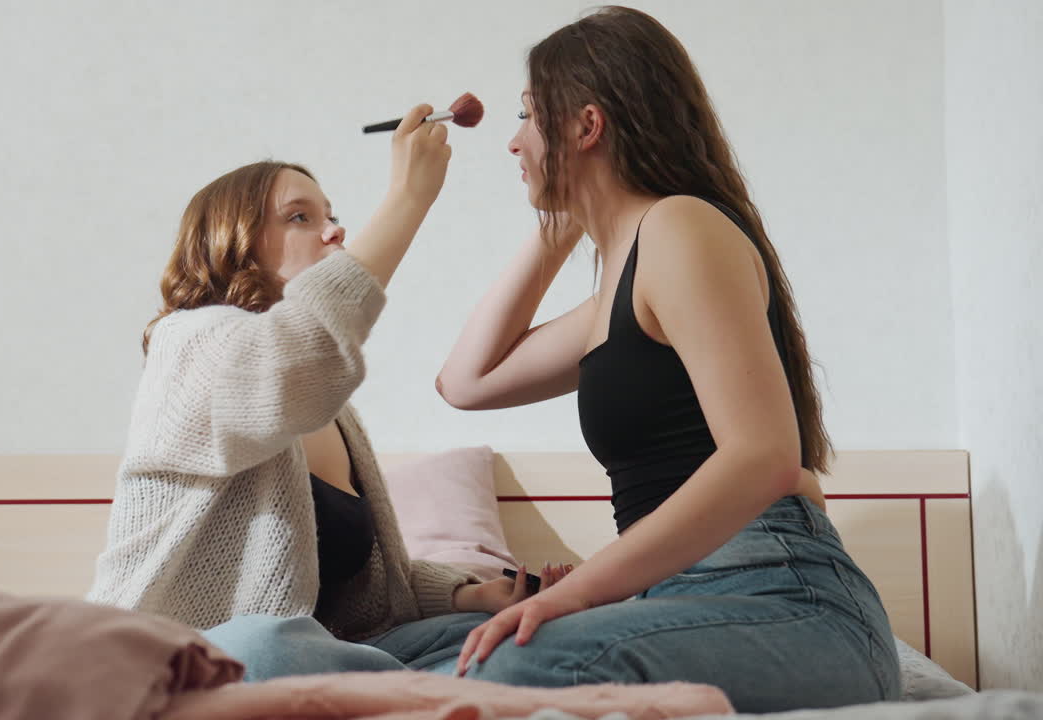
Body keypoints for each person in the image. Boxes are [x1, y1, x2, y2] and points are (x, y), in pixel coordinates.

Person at [433, 6, 901, 712]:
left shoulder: (681, 229)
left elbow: (763, 457)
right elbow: (466, 381)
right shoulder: (624, 277)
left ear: (586, 127)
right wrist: (563, 221)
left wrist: (584, 593)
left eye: (528, 117)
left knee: (504, 668)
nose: (512, 143)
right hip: (679, 596)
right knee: (403, 651)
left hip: (778, 593)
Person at [86, 105, 548, 679]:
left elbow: (370, 595)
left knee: (515, 636)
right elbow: (296, 357)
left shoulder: (333, 412)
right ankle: (413, 692)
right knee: (267, 642)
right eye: (300, 217)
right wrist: (408, 198)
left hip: (321, 654)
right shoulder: (188, 342)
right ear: (234, 241)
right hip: (173, 664)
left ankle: (418, 689)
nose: (335, 230)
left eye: (331, 214)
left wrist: (474, 596)